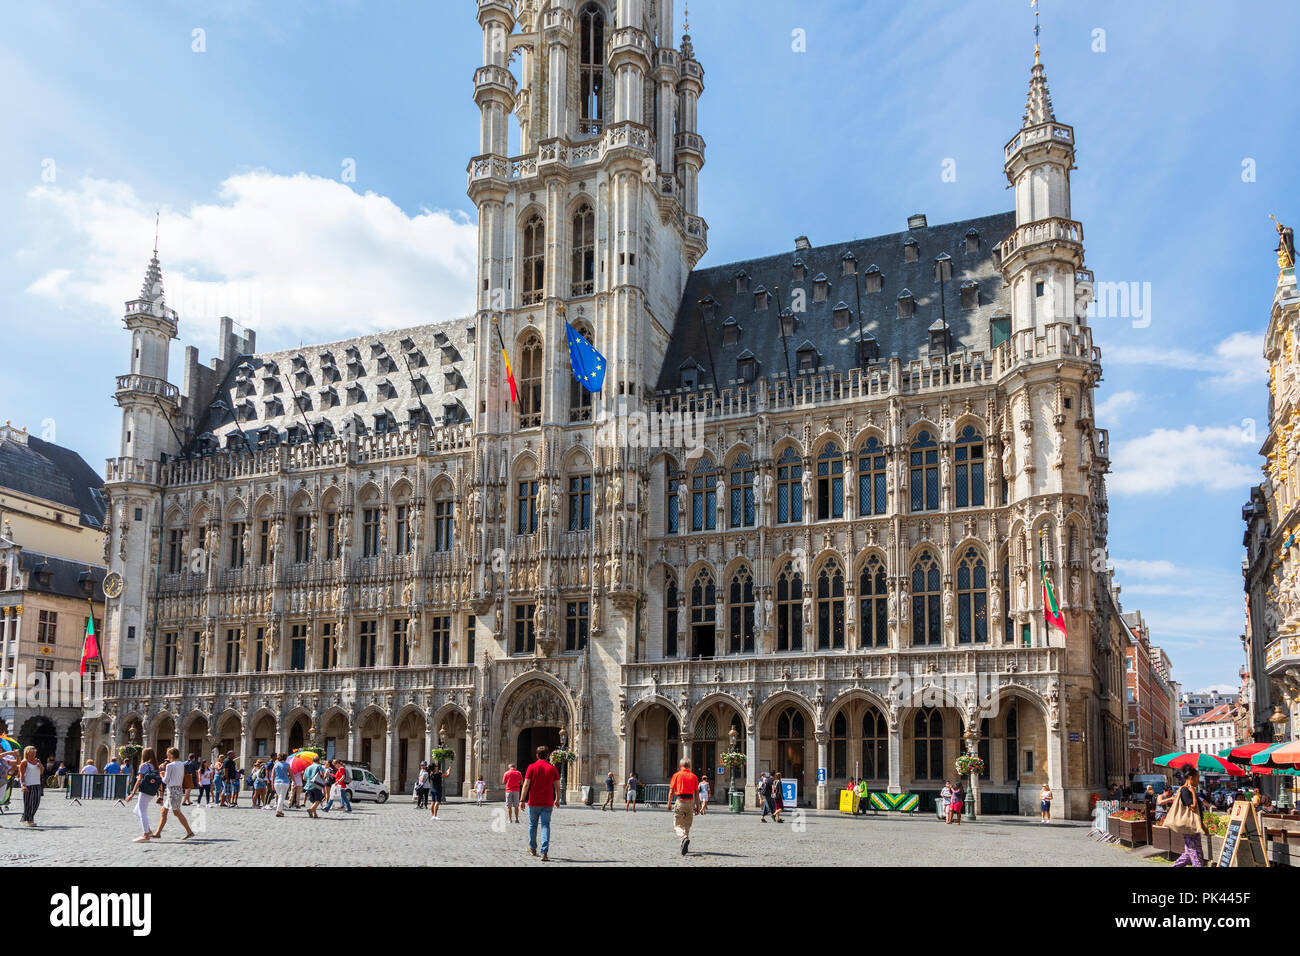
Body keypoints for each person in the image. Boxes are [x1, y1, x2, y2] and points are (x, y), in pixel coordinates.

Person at [520, 745, 561, 861]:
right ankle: (544, 852)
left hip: (533, 802)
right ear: (548, 756)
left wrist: (522, 800)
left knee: (533, 825)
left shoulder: (531, 767)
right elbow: (557, 786)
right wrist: (557, 799)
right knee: (545, 825)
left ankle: (533, 848)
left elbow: (526, 784)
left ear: (537, 755)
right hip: (547, 802)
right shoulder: (552, 768)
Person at [1161, 769, 1208, 868]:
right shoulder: (1185, 790)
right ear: (1191, 778)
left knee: (1189, 854)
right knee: (1196, 855)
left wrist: (1202, 825)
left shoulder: (1188, 790)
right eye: (1197, 778)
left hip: (1193, 827)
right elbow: (1193, 806)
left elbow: (1197, 812)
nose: (1198, 781)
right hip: (1188, 827)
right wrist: (1194, 793)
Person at [152, 747, 195, 839]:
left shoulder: (169, 766)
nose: (167, 756)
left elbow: (165, 780)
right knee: (164, 811)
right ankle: (157, 833)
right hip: (177, 789)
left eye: (168, 754)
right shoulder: (181, 764)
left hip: (172, 790)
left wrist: (161, 775)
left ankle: (189, 831)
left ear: (171, 755)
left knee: (177, 812)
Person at [668, 757, 702, 855]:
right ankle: (684, 844)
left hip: (680, 801)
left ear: (680, 765)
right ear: (690, 766)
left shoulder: (677, 775)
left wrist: (669, 803)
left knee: (677, 824)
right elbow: (696, 793)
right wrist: (698, 806)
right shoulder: (694, 776)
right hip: (690, 801)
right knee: (687, 824)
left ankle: (683, 837)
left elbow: (671, 791)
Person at [127, 747, 160, 843]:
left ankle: (146, 835)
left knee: (142, 811)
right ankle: (148, 831)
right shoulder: (155, 766)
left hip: (144, 791)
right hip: (151, 791)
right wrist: (160, 794)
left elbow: (139, 780)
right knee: (136, 810)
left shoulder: (144, 765)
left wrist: (132, 793)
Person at [18, 746, 44, 826]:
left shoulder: (37, 761)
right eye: (32, 753)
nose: (34, 754)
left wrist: (41, 767)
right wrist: (23, 785)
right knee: (29, 803)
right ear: (27, 753)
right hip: (28, 784)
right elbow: (21, 774)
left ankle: (25, 816)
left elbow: (41, 772)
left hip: (37, 784)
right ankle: (29, 820)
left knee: (36, 802)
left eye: (34, 753)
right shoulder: (24, 762)